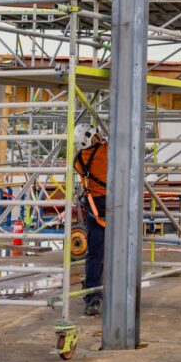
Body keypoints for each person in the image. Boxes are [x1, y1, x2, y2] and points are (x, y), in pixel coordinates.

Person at [73, 123, 108, 316]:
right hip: (113, 204)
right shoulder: (107, 151)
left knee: (95, 255)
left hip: (93, 208)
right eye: (98, 134)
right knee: (121, 252)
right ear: (93, 138)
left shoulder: (78, 160)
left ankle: (92, 297)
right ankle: (119, 293)